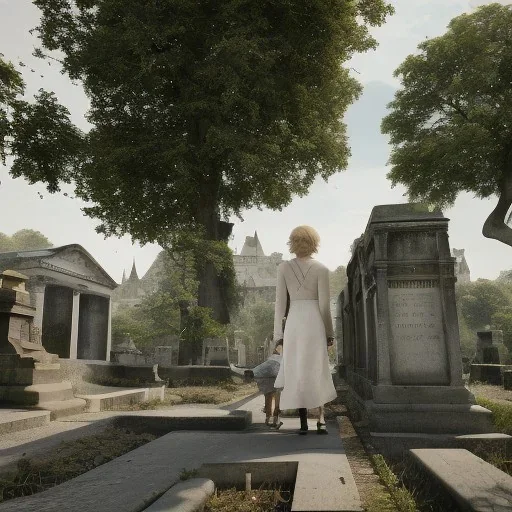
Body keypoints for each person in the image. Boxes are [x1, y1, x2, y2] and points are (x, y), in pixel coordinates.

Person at [273, 225, 337, 435]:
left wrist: (278, 336)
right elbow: (325, 306)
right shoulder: (321, 269)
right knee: (317, 367)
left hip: (294, 322)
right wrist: (329, 332)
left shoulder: (283, 268)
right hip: (314, 322)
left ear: (293, 243)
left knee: (297, 368)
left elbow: (280, 304)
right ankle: (320, 418)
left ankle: (302, 422)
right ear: (314, 243)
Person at [244, 339, 283, 429]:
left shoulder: (278, 348)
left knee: (269, 396)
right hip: (275, 374)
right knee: (276, 397)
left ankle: (269, 418)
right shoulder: (282, 346)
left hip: (269, 374)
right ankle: (274, 419)